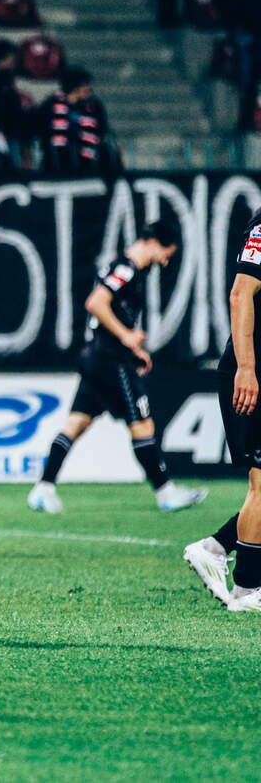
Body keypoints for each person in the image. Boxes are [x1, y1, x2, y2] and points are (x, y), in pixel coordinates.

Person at [27, 220, 207, 514]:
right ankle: (166, 492)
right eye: (166, 254)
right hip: (111, 360)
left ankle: (43, 489)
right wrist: (125, 337)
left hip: (97, 355)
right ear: (153, 243)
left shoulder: (120, 267)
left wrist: (133, 348)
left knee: (76, 424)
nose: (165, 261)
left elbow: (105, 313)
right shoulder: (127, 269)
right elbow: (96, 303)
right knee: (142, 424)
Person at [184, 206, 261, 609]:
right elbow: (240, 293)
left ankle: (215, 548)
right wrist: (246, 368)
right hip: (252, 372)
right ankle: (247, 589)